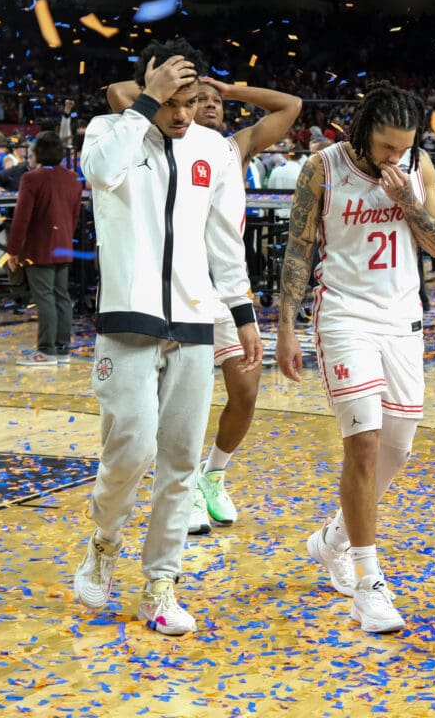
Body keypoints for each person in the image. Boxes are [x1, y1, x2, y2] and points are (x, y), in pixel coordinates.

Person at [72, 39, 262, 636]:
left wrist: (243, 311)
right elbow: (102, 174)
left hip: (194, 322)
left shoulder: (214, 150)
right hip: (127, 320)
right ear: (151, 90)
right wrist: (144, 105)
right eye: (173, 100)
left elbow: (223, 239)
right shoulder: (109, 131)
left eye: (192, 100)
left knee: (181, 461)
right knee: (129, 451)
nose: (183, 113)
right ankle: (104, 543)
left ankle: (161, 584)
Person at [275, 81, 435, 633]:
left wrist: (409, 202)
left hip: (402, 321)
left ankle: (332, 540)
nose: (395, 157)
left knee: (398, 448)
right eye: (386, 148)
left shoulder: (419, 167)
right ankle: (370, 585)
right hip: (344, 317)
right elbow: (299, 247)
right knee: (366, 443)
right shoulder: (322, 168)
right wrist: (284, 325)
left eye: (403, 148)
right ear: (362, 130)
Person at [107, 72, 301, 533]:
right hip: (177, 286)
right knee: (177, 404)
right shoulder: (167, 137)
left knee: (247, 389)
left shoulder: (231, 148)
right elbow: (118, 93)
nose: (207, 104)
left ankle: (212, 475)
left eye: (213, 99)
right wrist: (160, 85)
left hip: (226, 286)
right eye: (197, 98)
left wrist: (232, 88)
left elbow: (289, 105)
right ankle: (183, 484)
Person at [6, 131, 82, 365]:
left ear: (37, 153)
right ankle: (62, 349)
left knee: (45, 298)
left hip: (39, 248)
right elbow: (75, 215)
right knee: (61, 297)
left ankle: (46, 350)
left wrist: (13, 250)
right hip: (64, 247)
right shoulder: (72, 178)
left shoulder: (31, 179)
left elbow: (21, 218)